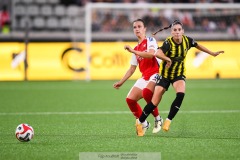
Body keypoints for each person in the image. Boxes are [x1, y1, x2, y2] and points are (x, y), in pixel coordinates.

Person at [128, 20, 224, 136]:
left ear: (182, 31)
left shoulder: (187, 40)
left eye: (179, 30)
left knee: (180, 94)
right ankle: (141, 121)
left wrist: (212, 53)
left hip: (178, 74)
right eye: (174, 30)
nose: (177, 32)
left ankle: (168, 121)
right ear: (171, 32)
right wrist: (168, 59)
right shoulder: (168, 42)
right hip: (165, 75)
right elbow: (157, 53)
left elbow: (198, 45)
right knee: (153, 101)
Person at [113, 19, 172, 135]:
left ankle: (158, 118)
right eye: (135, 27)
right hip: (145, 76)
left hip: (156, 73)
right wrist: (121, 82)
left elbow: (151, 55)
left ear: (144, 29)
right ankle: (144, 124)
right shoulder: (136, 48)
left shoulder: (150, 40)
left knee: (146, 93)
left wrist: (133, 51)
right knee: (130, 100)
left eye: (139, 26)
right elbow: (132, 69)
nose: (137, 29)